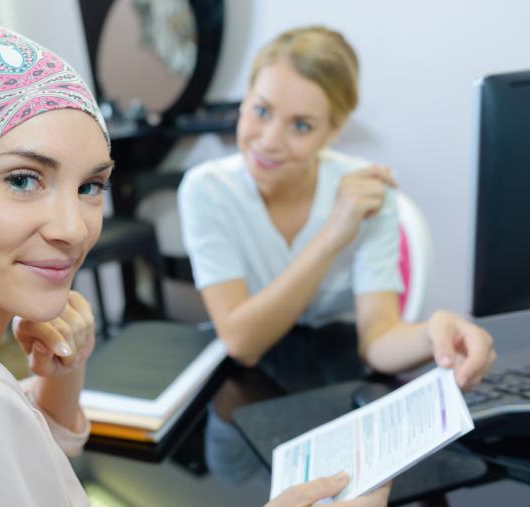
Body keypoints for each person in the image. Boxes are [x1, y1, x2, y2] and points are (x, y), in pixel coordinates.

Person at [0, 20, 381, 507]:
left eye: (91, 186)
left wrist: (62, 377)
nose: (73, 230)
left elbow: (16, 462)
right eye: (22, 179)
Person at [178, 25, 496, 497]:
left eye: (302, 125)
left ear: (334, 130)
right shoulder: (207, 191)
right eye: (261, 111)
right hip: (242, 392)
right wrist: (333, 234)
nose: (269, 140)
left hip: (339, 379)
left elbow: (378, 340)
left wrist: (433, 333)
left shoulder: (367, 192)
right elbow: (242, 340)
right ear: (243, 101)